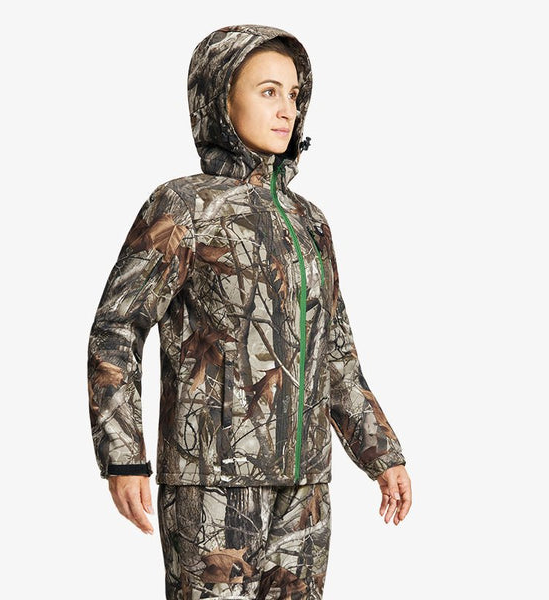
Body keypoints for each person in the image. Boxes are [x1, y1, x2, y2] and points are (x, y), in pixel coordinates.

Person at [87, 23, 412, 599]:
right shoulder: (184, 205)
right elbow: (117, 329)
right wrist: (124, 457)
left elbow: (335, 353)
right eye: (268, 91)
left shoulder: (310, 221)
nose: (287, 109)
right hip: (213, 482)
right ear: (221, 99)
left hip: (305, 490)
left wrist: (382, 455)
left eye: (294, 94)